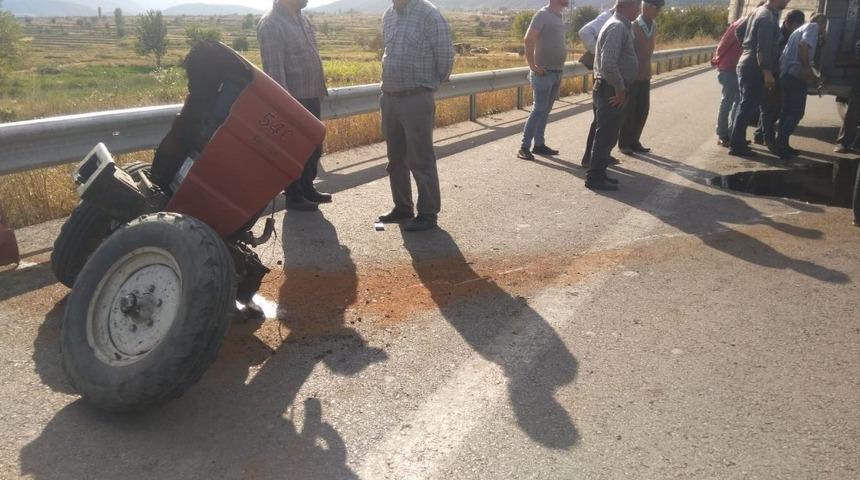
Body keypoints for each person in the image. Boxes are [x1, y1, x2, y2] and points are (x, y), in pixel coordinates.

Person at [376, 0, 454, 232]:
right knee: (395, 158)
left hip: (416, 97)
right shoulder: (388, 15)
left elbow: (445, 58)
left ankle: (428, 214)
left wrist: (425, 88)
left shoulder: (429, 15)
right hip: (389, 96)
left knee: (420, 159)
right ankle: (403, 207)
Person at [258, 0, 331, 211]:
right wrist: (286, 106)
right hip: (293, 100)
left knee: (313, 146)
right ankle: (294, 194)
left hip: (310, 95)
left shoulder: (301, 18)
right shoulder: (271, 24)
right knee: (294, 150)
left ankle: (307, 187)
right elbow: (274, 71)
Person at [585, 0, 640, 191]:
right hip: (610, 89)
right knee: (606, 134)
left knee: (608, 135)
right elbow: (608, 63)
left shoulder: (620, 25)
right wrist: (620, 88)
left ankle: (599, 173)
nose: (639, 10)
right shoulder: (617, 27)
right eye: (636, 6)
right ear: (625, 6)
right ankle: (595, 177)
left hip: (611, 87)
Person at [728, 0, 791, 157]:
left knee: (752, 106)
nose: (788, 1)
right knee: (747, 107)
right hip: (756, 69)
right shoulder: (767, 17)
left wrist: (747, 48)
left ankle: (741, 142)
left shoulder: (758, 11)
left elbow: (740, 30)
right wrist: (767, 73)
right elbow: (762, 49)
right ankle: (737, 146)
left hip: (749, 65)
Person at [517, 0, 571, 161]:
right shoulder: (542, 15)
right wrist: (533, 66)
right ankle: (524, 147)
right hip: (543, 73)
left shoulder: (558, 16)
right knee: (539, 109)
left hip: (556, 72)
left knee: (545, 111)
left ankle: (539, 144)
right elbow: (528, 39)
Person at [775, 13, 827, 158]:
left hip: (786, 75)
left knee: (786, 111)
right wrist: (805, 68)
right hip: (795, 76)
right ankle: (781, 144)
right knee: (797, 112)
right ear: (822, 24)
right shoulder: (813, 28)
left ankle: (782, 143)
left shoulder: (800, 29)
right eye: (825, 26)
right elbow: (803, 46)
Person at [753, 9, 805, 149]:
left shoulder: (790, 34)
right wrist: (768, 73)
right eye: (796, 25)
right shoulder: (779, 35)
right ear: (788, 23)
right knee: (770, 108)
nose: (798, 29)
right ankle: (768, 140)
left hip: (779, 74)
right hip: (772, 73)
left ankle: (760, 135)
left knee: (773, 108)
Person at [617, 0, 662, 155]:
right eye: (657, 8)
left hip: (645, 73)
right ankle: (624, 143)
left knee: (643, 109)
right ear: (647, 7)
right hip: (631, 75)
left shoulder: (653, 25)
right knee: (629, 110)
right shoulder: (633, 25)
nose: (659, 11)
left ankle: (635, 140)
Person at [579, 7, 616, 168]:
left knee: (612, 117)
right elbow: (584, 31)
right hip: (604, 74)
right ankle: (589, 158)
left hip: (613, 74)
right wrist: (598, 53)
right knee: (601, 118)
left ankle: (603, 155)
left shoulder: (623, 19)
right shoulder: (607, 16)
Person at [713, 15, 751, 147]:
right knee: (728, 102)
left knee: (738, 102)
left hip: (739, 69)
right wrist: (718, 60)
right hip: (729, 68)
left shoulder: (750, 23)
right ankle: (723, 135)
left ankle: (734, 134)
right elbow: (723, 44)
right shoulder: (739, 24)